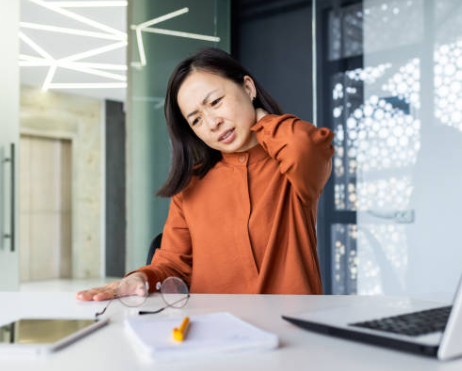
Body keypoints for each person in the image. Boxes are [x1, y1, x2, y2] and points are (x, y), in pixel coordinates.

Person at [77, 48, 334, 301]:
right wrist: (140, 278)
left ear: (248, 87)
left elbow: (306, 147)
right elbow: (173, 266)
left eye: (215, 102)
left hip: (290, 327)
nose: (212, 123)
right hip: (211, 329)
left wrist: (262, 120)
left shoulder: (289, 166)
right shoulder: (191, 185)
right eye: (196, 120)